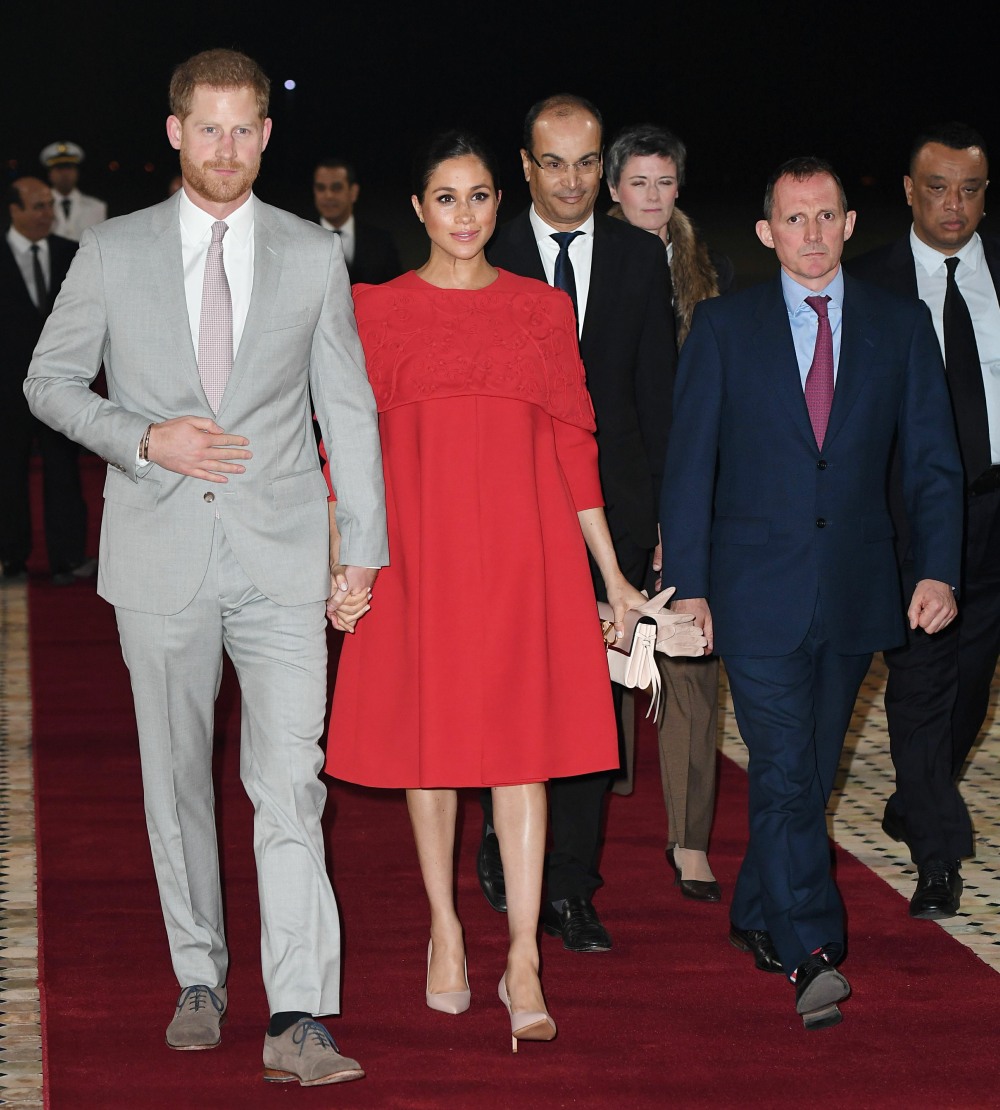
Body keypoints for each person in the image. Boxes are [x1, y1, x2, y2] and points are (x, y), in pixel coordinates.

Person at [25, 48, 386, 1086]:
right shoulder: (111, 250)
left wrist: (358, 549)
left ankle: (301, 1012)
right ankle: (199, 973)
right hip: (158, 550)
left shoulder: (314, 253)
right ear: (175, 131)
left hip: (279, 556)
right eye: (208, 128)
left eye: (245, 129)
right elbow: (48, 382)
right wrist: (144, 438)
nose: (227, 149)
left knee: (289, 784)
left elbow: (346, 408)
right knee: (175, 780)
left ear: (266, 137)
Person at [326, 131, 696, 1049]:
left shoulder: (539, 310)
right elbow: (346, 453)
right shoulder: (372, 310)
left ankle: (523, 954)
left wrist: (610, 573)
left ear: (502, 202)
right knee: (430, 753)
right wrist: (344, 561)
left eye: (481, 196)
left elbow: (574, 445)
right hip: (415, 559)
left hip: (524, 559)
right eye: (446, 198)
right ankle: (446, 930)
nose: (465, 215)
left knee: (520, 753)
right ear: (417, 208)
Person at [661, 156, 964, 1029]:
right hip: (753, 593)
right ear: (765, 231)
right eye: (794, 220)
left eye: (826, 216)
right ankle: (812, 949)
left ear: (849, 224)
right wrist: (690, 587)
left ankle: (757, 910)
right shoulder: (725, 327)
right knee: (790, 770)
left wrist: (937, 568)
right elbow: (691, 470)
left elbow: (934, 465)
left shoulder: (900, 326)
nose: (812, 235)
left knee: (808, 774)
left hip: (860, 591)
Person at [476, 94, 676, 954]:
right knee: (506, 686)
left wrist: (669, 525)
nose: (570, 180)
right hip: (506, 513)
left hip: (617, 520)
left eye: (586, 162)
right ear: (523, 165)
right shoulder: (486, 251)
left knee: (597, 708)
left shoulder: (640, 256)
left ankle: (569, 886)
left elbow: (657, 399)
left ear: (604, 165)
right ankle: (500, 830)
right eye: (551, 163)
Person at [848, 123, 995, 919]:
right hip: (910, 519)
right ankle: (939, 857)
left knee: (972, 687)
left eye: (970, 189)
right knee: (921, 686)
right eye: (937, 187)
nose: (954, 204)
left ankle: (916, 796)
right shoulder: (868, 286)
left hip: (996, 512)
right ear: (908, 190)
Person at [605, 122, 733, 902]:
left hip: (691, 486)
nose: (652, 197)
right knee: (597, 656)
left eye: (664, 181)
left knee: (690, 657)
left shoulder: (702, 270)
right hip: (607, 490)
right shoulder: (587, 270)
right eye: (637, 183)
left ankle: (690, 838)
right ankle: (576, 799)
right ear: (613, 190)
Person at [1, 177, 93, 586]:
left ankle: (69, 558)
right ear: (14, 210)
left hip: (62, 387)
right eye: (37, 206)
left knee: (64, 472)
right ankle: (10, 557)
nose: (47, 214)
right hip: (5, 391)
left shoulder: (70, 254)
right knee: (7, 473)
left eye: (48, 206)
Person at [312, 158, 401, 284]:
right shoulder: (299, 240)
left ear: (353, 192)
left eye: (336, 188)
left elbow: (395, 292)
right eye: (321, 188)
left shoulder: (382, 242)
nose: (328, 195)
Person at [40, 141, 107, 241]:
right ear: (49, 174)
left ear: (77, 172)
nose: (64, 173)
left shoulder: (97, 207)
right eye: (59, 168)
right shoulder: (38, 207)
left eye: (69, 167)